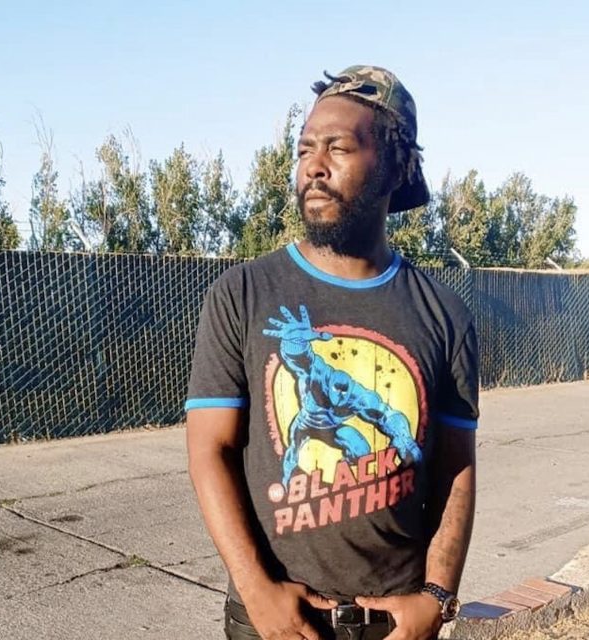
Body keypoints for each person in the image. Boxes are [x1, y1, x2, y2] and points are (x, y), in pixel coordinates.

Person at [185, 65, 479, 640]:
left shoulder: (445, 315)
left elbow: (456, 469)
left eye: (338, 147)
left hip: (392, 626)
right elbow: (208, 450)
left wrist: (438, 598)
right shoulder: (243, 294)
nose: (313, 165)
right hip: (273, 619)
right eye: (305, 149)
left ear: (397, 166)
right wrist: (257, 592)